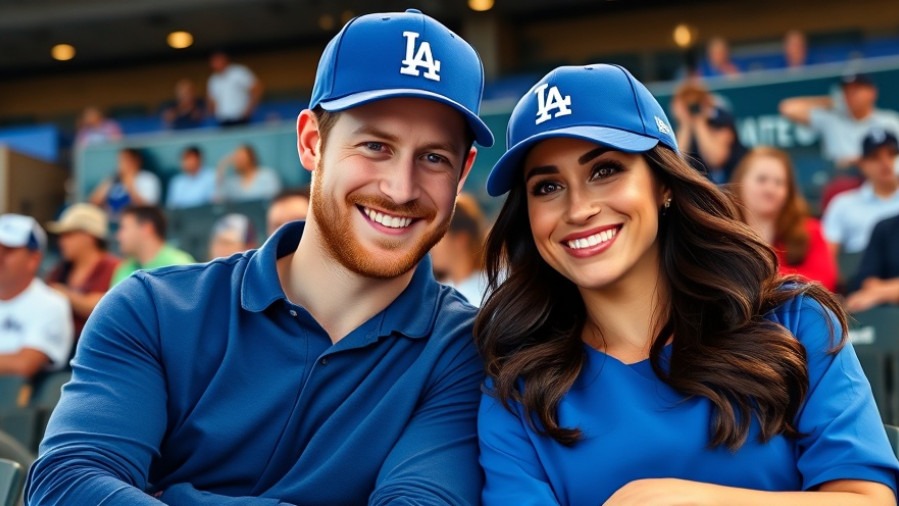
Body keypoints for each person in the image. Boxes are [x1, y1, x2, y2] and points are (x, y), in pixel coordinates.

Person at [27, 8, 494, 505]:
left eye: (433, 157)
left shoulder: (467, 351)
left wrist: (178, 498)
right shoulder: (154, 308)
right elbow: (68, 485)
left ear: (463, 172)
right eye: (376, 146)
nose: (401, 189)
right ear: (311, 142)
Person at [476, 64, 898, 505]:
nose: (579, 209)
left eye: (605, 170)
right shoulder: (515, 389)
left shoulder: (795, 320)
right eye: (547, 186)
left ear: (663, 185)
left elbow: (868, 500)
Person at [730, 147, 837, 291]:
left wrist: (765, 276)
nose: (770, 189)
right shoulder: (724, 233)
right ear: (740, 183)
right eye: (761, 180)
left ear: (789, 191)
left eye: (779, 182)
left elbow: (824, 281)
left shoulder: (811, 231)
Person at [0, 214, 73, 378]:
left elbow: (24, 364)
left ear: (33, 259)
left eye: (8, 251)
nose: (0, 257)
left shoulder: (52, 304)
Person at [780, 73, 899, 169]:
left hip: (880, 177)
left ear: (872, 92)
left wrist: (862, 161)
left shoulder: (889, 121)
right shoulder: (832, 118)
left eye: (856, 90)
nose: (851, 95)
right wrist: (832, 101)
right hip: (840, 180)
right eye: (846, 91)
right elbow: (788, 108)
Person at [45, 204, 120, 341]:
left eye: (68, 235)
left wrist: (64, 293)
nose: (61, 241)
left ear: (88, 236)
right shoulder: (61, 268)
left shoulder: (114, 267)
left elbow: (107, 307)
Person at [822, 128, 899, 255]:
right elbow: (827, 256)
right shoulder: (843, 204)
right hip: (859, 265)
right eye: (875, 157)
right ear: (862, 164)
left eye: (892, 154)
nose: (885, 163)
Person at [671, 82, 747, 184]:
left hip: (730, 184)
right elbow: (676, 163)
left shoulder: (721, 121)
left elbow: (716, 160)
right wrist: (685, 124)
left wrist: (700, 122)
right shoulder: (680, 131)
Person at [109, 205, 194, 287]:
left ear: (147, 229)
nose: (118, 236)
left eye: (123, 228)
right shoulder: (124, 269)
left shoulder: (179, 266)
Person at [430, 193, 488, 306]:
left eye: (437, 237)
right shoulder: (440, 292)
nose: (431, 246)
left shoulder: (491, 291)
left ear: (461, 239)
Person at [88, 148, 162, 222]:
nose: (122, 164)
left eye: (125, 160)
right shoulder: (113, 179)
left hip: (137, 223)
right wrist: (109, 181)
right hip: (111, 222)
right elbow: (92, 203)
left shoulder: (147, 179)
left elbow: (150, 210)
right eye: (120, 161)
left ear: (136, 161)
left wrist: (129, 185)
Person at [845, 212, 899, 312]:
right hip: (887, 312)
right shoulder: (886, 227)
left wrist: (880, 294)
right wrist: (888, 292)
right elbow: (866, 281)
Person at [207, 50, 263, 127]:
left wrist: (250, 109)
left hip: (241, 118)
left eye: (217, 61)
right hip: (223, 120)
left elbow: (257, 88)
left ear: (224, 60)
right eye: (213, 61)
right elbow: (212, 100)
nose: (215, 64)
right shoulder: (213, 79)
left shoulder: (238, 72)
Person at [215, 144, 282, 202]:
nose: (238, 160)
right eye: (236, 157)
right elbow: (219, 201)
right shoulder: (232, 182)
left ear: (251, 157)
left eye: (241, 156)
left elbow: (277, 199)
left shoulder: (267, 175)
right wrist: (221, 168)